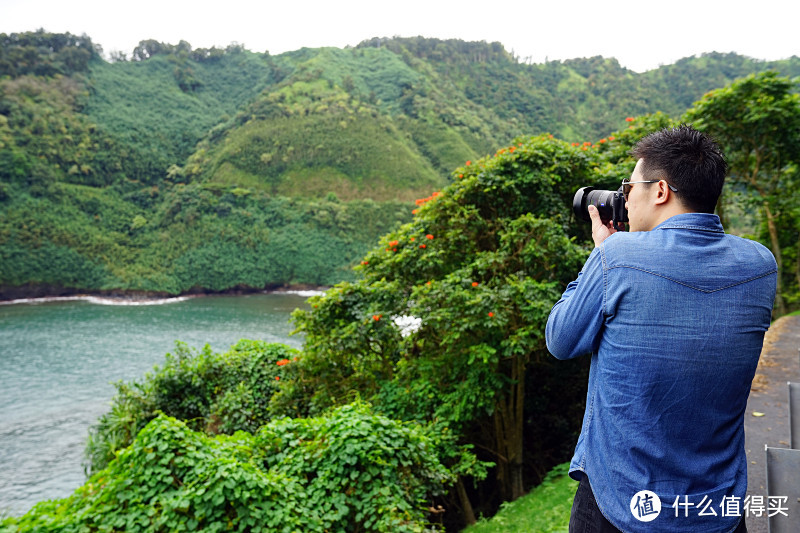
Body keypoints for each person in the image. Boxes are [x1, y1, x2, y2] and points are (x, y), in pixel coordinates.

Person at [545, 125, 777, 533]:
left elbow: (560, 340)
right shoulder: (760, 265)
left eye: (628, 187)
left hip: (619, 506)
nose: (625, 200)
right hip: (716, 508)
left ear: (660, 191)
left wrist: (601, 253)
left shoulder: (616, 256)